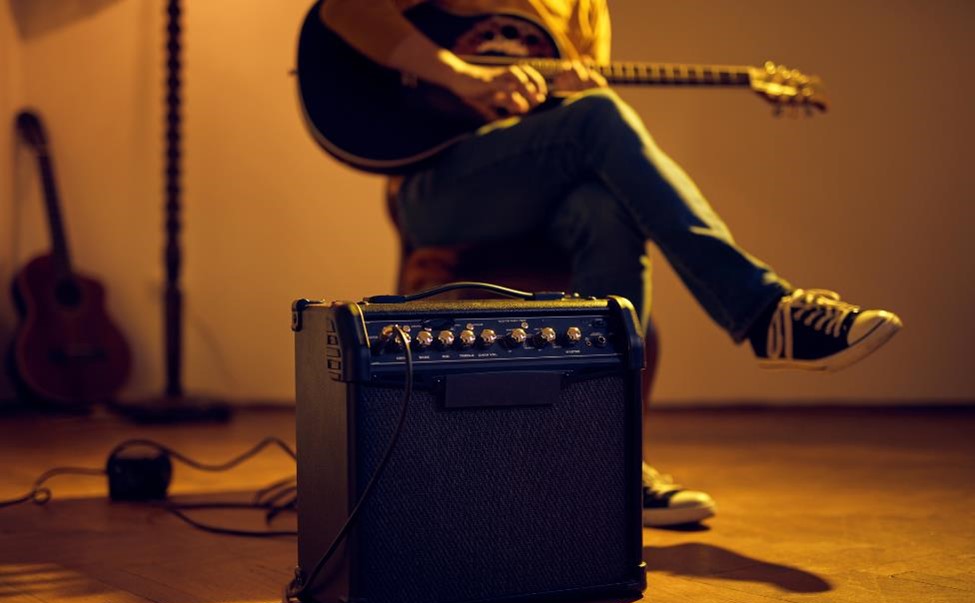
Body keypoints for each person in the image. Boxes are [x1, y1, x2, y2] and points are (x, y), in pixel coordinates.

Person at [318, 0, 902, 527]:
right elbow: (344, 11)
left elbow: (565, 123)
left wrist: (566, 92)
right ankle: (764, 311)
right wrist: (463, 75)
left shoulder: (585, 7)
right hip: (437, 189)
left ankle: (607, 464)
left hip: (541, 196)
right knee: (599, 115)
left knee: (607, 207)